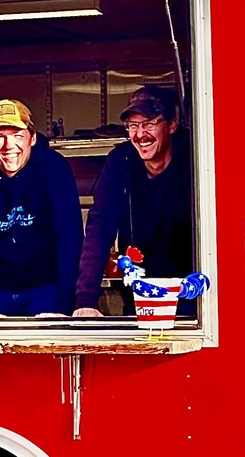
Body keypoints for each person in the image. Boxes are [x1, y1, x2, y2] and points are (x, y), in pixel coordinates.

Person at [0, 98, 82, 317]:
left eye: (17, 135)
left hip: (46, 285)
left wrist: (64, 305)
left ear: (32, 138)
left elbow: (69, 236)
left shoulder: (53, 167)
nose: (9, 146)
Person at [75, 85, 193, 317]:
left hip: (191, 290)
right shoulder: (121, 161)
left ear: (171, 124)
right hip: (141, 290)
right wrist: (85, 300)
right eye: (133, 126)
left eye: (149, 124)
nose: (140, 135)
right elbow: (100, 227)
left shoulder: (193, 157)